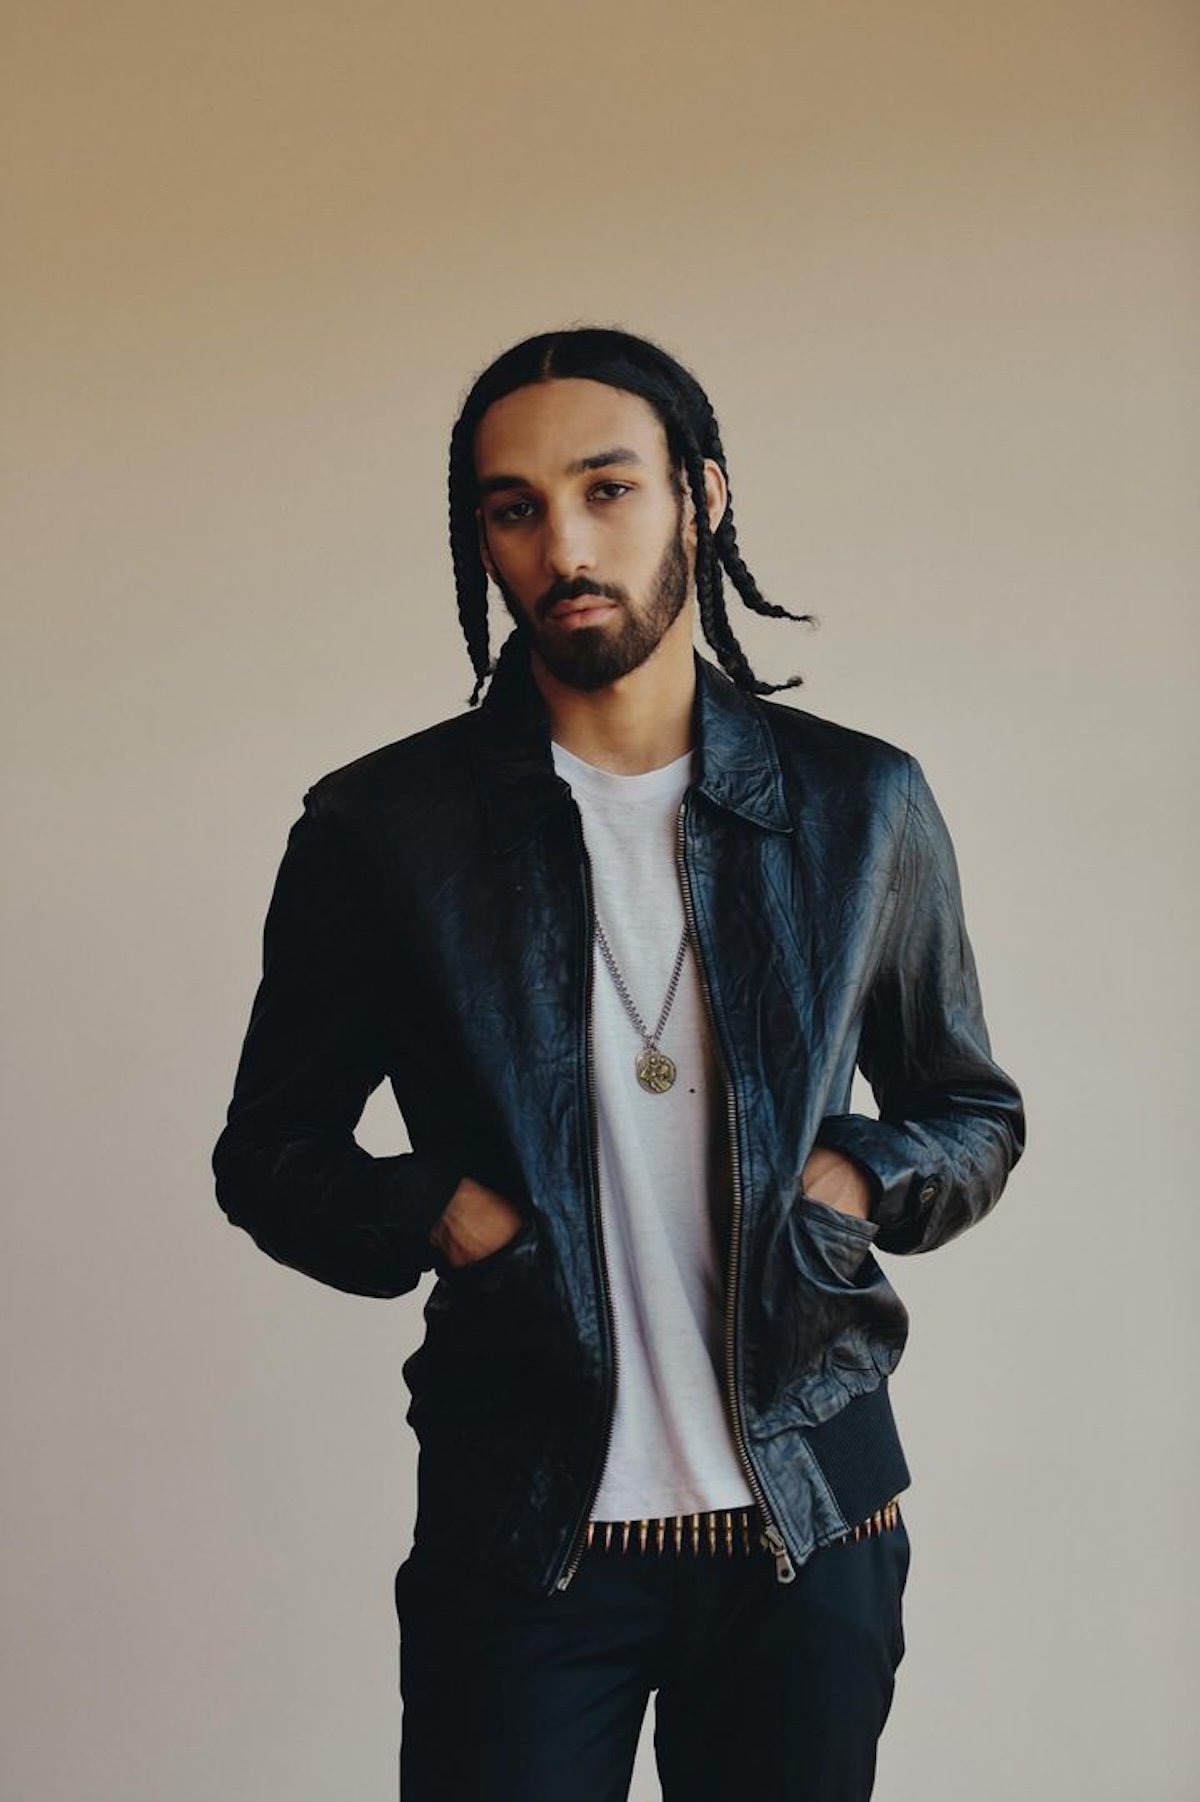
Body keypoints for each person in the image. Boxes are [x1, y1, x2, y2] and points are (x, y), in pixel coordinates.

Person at [213, 327, 1025, 1801]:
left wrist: (859, 1176)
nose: (566, 546)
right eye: (515, 508)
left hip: (810, 1526)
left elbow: (970, 1110)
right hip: (522, 1534)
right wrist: (438, 1211)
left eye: (607, 489)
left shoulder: (860, 807)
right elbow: (270, 1152)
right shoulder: (382, 832)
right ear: (482, 541)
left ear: (700, 495)